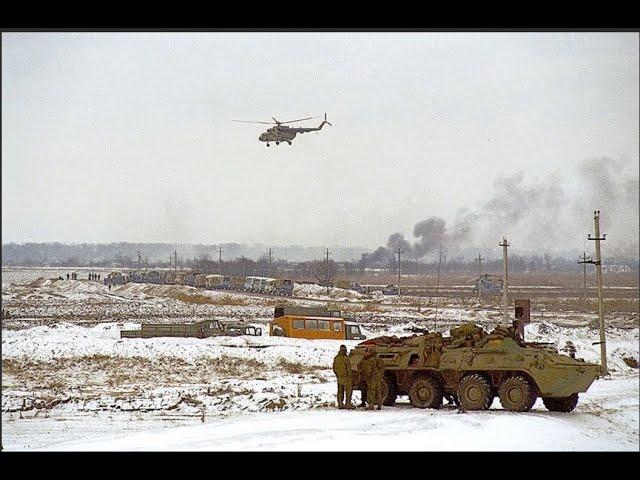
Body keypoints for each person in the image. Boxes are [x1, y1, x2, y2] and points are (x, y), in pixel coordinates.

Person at [333, 345, 355, 409]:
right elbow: (348, 368)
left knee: (340, 391)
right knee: (348, 391)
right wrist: (350, 376)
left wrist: (337, 375)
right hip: (346, 377)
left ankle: (340, 403)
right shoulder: (346, 358)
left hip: (339, 377)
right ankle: (348, 403)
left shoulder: (336, 358)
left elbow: (334, 368)